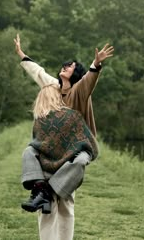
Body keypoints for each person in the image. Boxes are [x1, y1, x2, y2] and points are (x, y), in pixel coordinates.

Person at [14, 34, 114, 240]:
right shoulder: (52, 88)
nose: (65, 66)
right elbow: (39, 73)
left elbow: (89, 80)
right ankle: (43, 191)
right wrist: (22, 55)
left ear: (75, 73)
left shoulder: (79, 91)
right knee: (45, 207)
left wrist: (95, 64)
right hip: (51, 149)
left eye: (70, 66)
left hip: (75, 150)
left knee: (65, 203)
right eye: (65, 64)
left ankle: (46, 192)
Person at [22, 84, 98, 217]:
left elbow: (38, 145)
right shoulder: (70, 115)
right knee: (29, 151)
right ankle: (43, 191)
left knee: (28, 151)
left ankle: (42, 191)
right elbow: (88, 141)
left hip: (49, 167)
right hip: (68, 166)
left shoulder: (39, 120)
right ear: (57, 97)